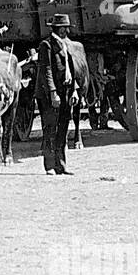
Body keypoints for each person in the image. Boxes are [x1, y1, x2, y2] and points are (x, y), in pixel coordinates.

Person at [36, 13, 81, 176]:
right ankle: (49, 166)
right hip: (51, 95)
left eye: (67, 28)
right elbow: (46, 71)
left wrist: (74, 89)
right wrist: (53, 93)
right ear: (56, 28)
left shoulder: (65, 45)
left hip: (66, 91)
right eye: (63, 28)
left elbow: (70, 69)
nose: (66, 31)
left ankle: (61, 165)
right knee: (50, 129)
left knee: (63, 129)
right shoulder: (46, 46)